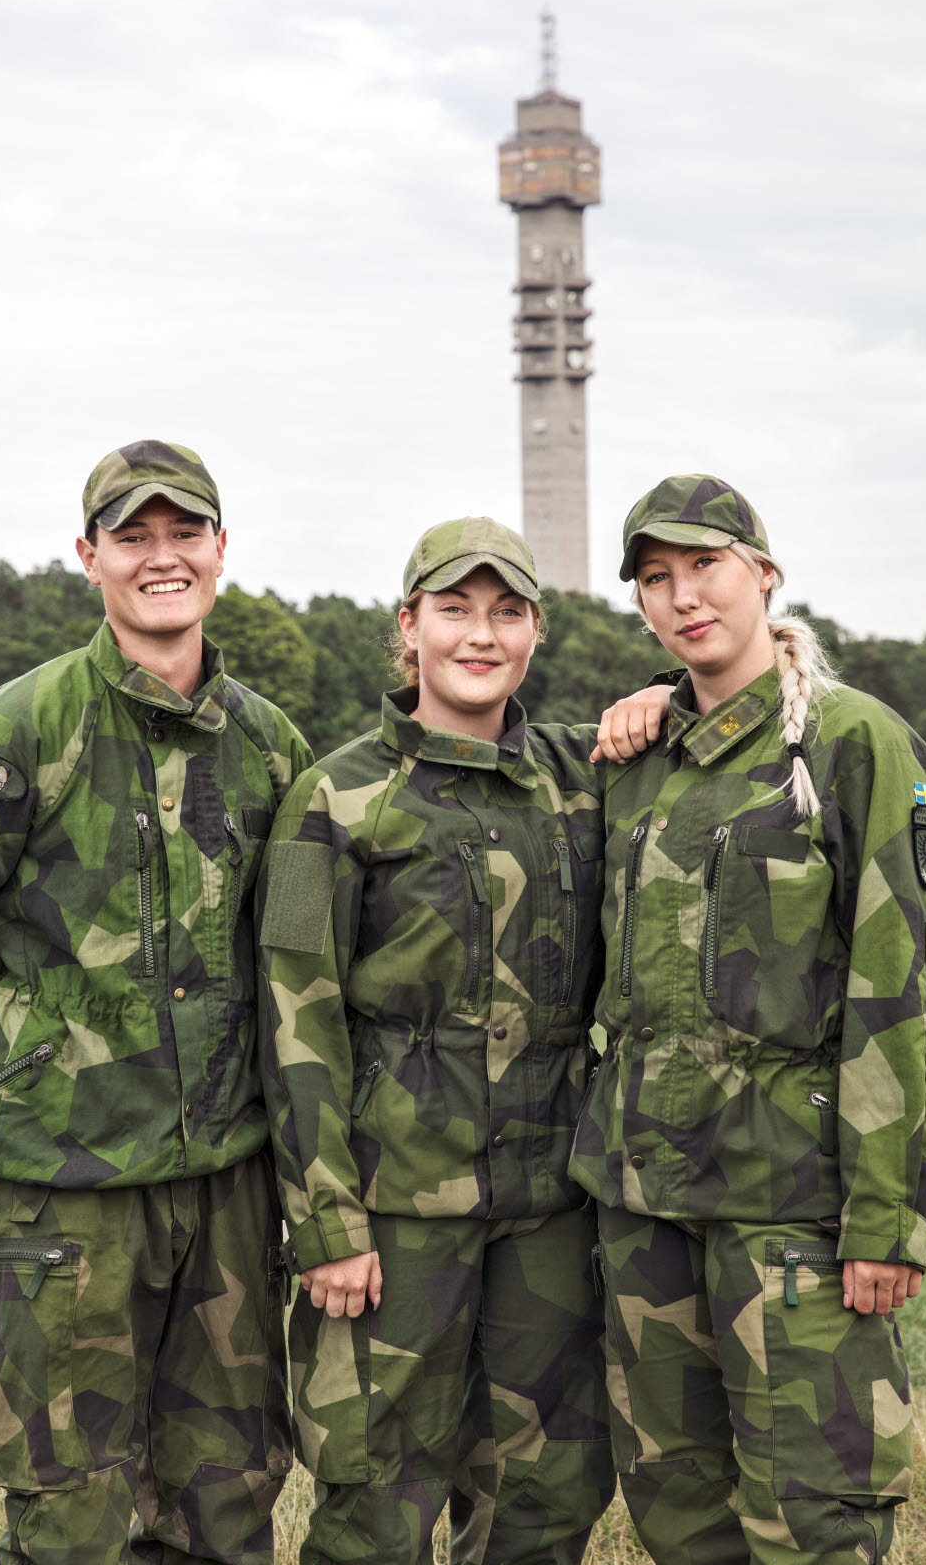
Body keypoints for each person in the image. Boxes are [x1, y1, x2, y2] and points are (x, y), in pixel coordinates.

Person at [0, 440, 312, 1565]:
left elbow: (295, 956)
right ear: (89, 557)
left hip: (225, 1187)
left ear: (221, 550)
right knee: (68, 1507)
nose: (161, 557)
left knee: (227, 1491)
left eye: (184, 533)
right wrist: (36, 1049)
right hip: (66, 1193)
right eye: (132, 536)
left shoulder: (268, 747)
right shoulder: (23, 729)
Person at [572, 474, 926, 1565]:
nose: (684, 596)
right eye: (656, 579)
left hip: (790, 1209)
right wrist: (650, 698)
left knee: (810, 1519)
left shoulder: (852, 743)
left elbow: (910, 993)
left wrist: (888, 1218)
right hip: (647, 1204)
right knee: (678, 1510)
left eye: (706, 567)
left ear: (765, 573)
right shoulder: (638, 757)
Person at [258, 516, 668, 1565]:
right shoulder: (338, 797)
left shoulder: (587, 778)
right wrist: (327, 1219)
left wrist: (663, 697)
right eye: (455, 610)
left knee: (546, 1494)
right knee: (374, 1497)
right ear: (409, 626)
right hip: (395, 1218)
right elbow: (295, 1014)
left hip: (549, 1216)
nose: (480, 635)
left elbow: (721, 735)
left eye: (507, 612)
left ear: (537, 631)